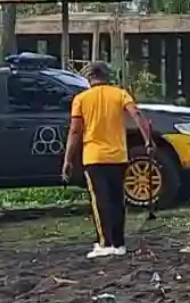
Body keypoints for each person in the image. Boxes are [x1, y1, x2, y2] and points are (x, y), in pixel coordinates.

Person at [63, 61, 154, 260]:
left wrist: (68, 159)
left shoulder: (81, 99)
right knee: (116, 199)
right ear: (107, 76)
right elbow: (137, 114)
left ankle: (106, 243)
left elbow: (75, 130)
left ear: (89, 78)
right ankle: (119, 243)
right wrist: (147, 139)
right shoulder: (120, 94)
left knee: (100, 200)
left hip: (94, 157)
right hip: (118, 156)